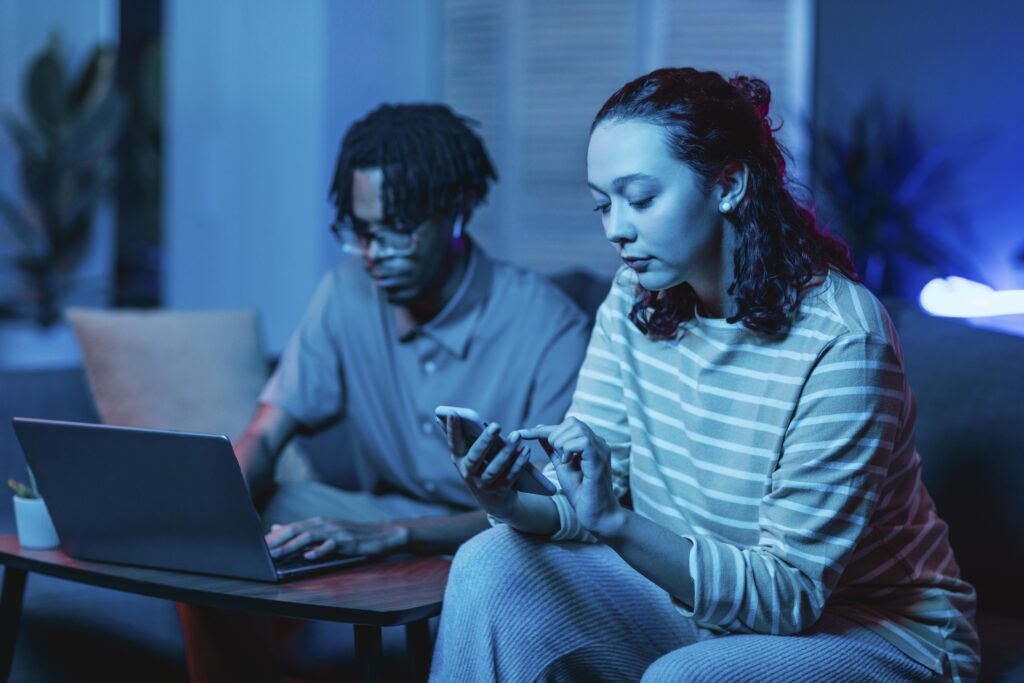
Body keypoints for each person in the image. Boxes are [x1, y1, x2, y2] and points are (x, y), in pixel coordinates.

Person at [433, 68, 980, 682]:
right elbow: (591, 500)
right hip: (696, 604)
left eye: (640, 199)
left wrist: (614, 521)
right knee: (488, 562)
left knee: (686, 678)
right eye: (603, 203)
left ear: (728, 185)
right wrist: (513, 501)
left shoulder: (843, 339)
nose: (616, 228)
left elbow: (788, 597)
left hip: (876, 635)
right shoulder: (633, 299)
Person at [178, 103, 589, 681]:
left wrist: (389, 536)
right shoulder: (345, 295)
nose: (376, 254)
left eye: (399, 228)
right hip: (379, 515)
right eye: (362, 231)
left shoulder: (549, 328)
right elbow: (267, 434)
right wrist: (208, 514)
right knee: (244, 526)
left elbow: (555, 511)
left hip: (499, 538)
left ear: (458, 211)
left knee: (507, 556)